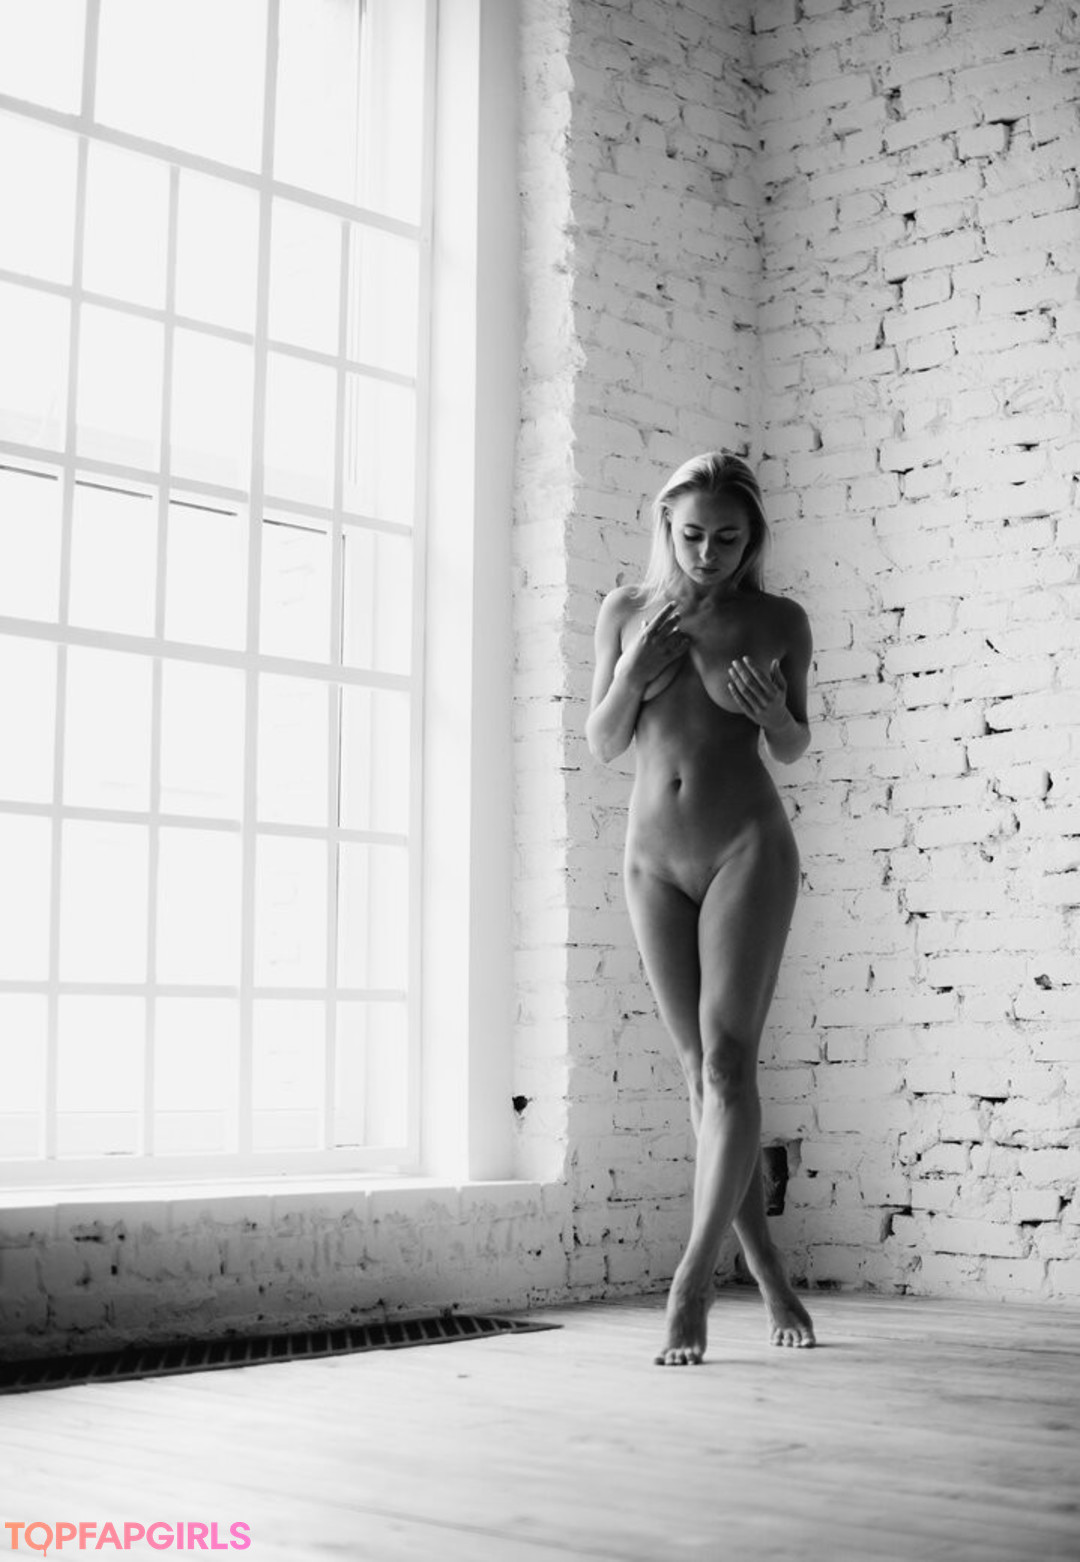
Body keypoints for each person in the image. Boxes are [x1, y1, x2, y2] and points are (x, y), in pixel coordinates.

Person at [585, 450, 816, 1365]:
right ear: (665, 528)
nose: (709, 553)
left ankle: (691, 1283)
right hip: (652, 860)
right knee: (699, 1075)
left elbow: (793, 746)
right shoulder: (625, 612)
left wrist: (775, 715)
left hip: (743, 850)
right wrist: (631, 673)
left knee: (726, 1064)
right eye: (692, 536)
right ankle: (765, 1265)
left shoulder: (779, 619)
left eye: (728, 537)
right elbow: (604, 742)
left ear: (752, 538)